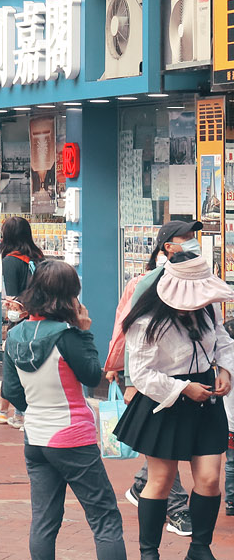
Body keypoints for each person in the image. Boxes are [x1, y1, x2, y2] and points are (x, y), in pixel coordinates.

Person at [0, 260, 164, 560]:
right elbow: (94, 375)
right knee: (104, 516)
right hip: (72, 437)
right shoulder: (68, 335)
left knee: (44, 518)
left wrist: (38, 409)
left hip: (36, 438)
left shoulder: (15, 335)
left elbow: (10, 391)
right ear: (69, 296)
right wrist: (85, 331)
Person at [113, 254, 234, 560]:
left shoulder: (208, 310)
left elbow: (224, 345)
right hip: (164, 401)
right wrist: (183, 388)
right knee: (161, 480)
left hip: (205, 398)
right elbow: (141, 373)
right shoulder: (147, 319)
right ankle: (149, 554)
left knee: (210, 480)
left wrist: (224, 371)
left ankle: (200, 550)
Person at [112, 220, 203, 535]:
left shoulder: (199, 279)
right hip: (156, 380)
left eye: (194, 237)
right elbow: (131, 332)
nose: (193, 243)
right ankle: (177, 510)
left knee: (161, 459)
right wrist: (130, 381)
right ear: (168, 246)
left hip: (191, 380)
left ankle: (142, 485)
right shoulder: (147, 282)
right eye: (186, 238)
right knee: (165, 454)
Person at [0, 216, 43, 429]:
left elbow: (12, 295)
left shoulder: (11, 260)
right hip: (38, 318)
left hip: (21, 320)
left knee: (14, 368)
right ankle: (7, 410)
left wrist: (10, 317)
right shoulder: (37, 257)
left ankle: (19, 414)